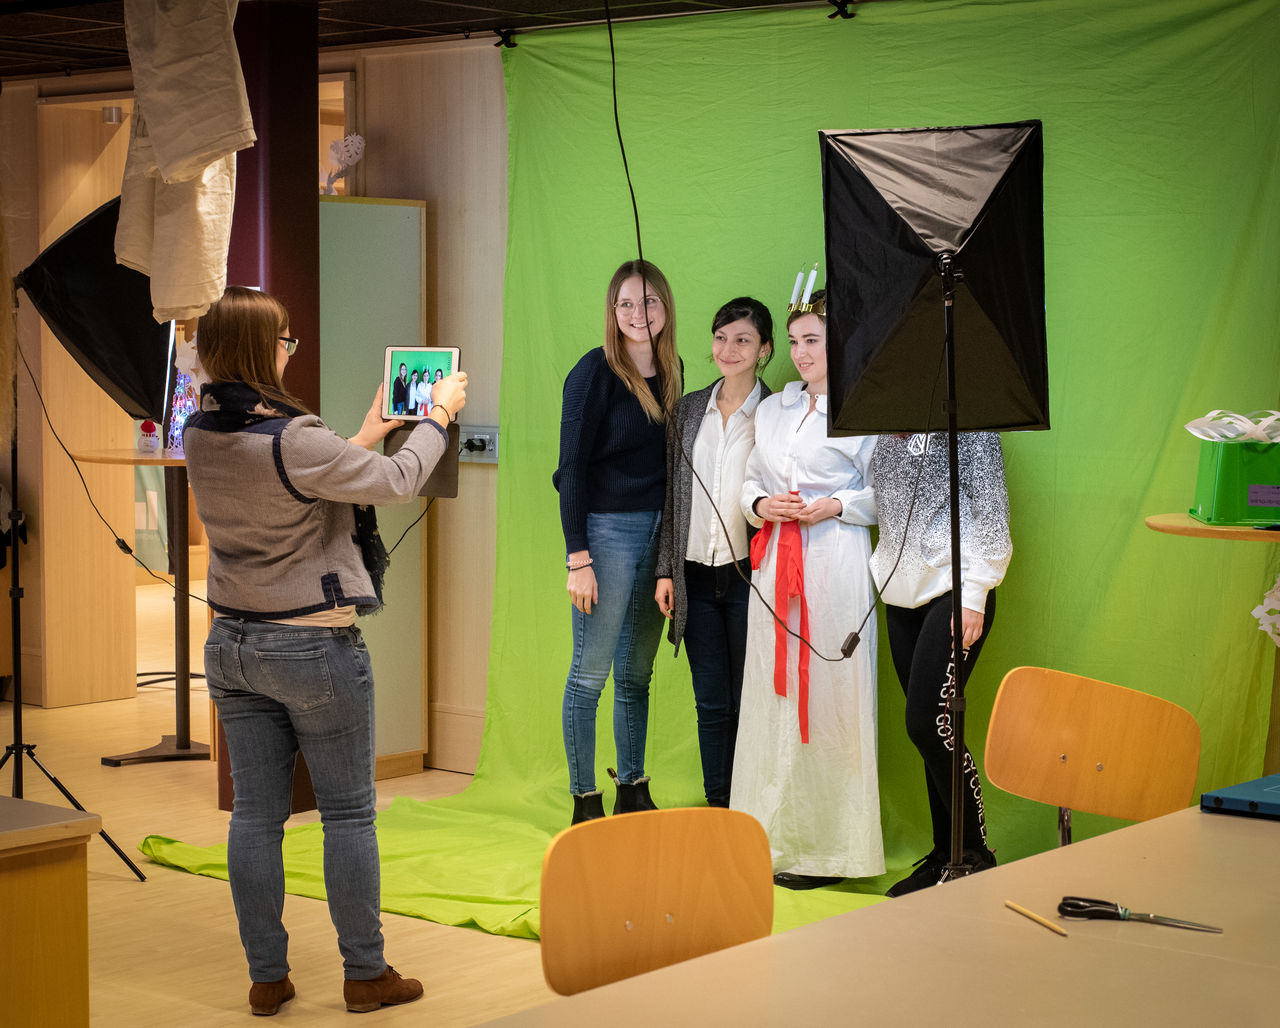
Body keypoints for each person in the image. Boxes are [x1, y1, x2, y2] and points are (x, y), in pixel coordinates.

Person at [184, 286, 467, 1015]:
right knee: (347, 815)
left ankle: (267, 976)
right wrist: (437, 416)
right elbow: (402, 481)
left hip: (232, 644)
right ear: (261, 349)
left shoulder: (201, 431)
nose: (290, 350)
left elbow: (296, 480)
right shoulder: (295, 437)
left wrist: (365, 433)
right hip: (312, 647)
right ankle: (365, 974)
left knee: (255, 815)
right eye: (284, 340)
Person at [732, 290, 882, 889]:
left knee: (828, 697)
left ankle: (829, 851)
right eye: (793, 341)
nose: (799, 353)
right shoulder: (772, 410)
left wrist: (835, 505)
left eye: (812, 341)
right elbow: (748, 482)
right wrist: (763, 503)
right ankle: (767, 838)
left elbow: (882, 495)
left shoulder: (863, 409)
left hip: (834, 565)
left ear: (839, 342)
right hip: (773, 566)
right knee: (773, 696)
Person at [553, 258, 682, 825]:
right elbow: (570, 469)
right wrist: (577, 556)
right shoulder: (593, 372)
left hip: (659, 533)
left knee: (637, 672)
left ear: (665, 308)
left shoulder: (673, 367)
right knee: (591, 673)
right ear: (612, 310)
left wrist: (671, 549)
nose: (637, 314)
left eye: (648, 302)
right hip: (604, 533)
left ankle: (633, 785)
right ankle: (585, 797)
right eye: (625, 303)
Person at [871, 424, 1011, 896]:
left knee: (931, 724)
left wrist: (974, 594)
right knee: (929, 732)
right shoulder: (885, 431)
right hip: (900, 594)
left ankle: (974, 856)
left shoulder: (970, 427)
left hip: (955, 588)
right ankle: (943, 855)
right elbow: (883, 505)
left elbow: (991, 514)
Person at [655, 297, 773, 807]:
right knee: (711, 703)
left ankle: (748, 806)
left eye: (743, 340)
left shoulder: (775, 414)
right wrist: (665, 572)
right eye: (721, 337)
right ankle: (717, 804)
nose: (729, 349)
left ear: (764, 350)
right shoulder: (687, 410)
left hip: (752, 576)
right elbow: (671, 497)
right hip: (694, 577)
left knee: (751, 698)